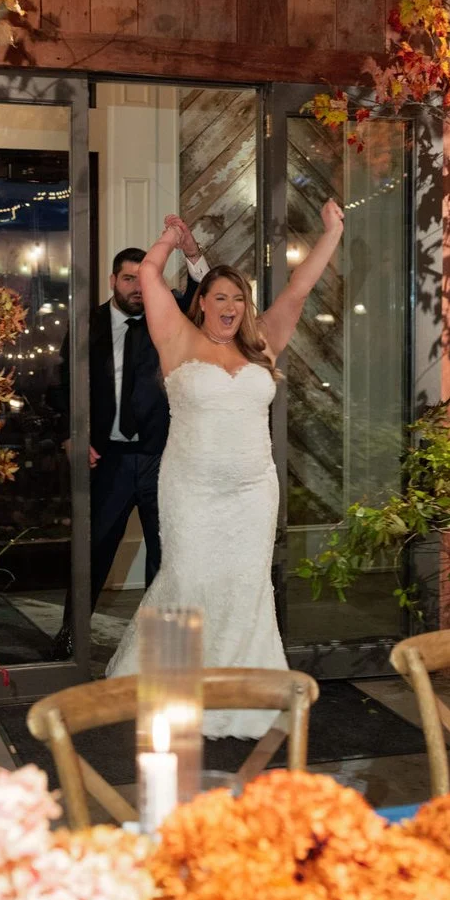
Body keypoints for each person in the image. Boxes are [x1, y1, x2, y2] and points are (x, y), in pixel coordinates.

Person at [106, 200, 345, 737]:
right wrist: (172, 240)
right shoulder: (176, 338)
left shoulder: (262, 344)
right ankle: (172, 694)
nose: (231, 306)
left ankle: (244, 693)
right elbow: (149, 275)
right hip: (191, 488)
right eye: (220, 297)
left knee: (245, 586)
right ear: (202, 303)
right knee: (187, 578)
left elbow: (299, 289)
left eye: (239, 298)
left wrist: (331, 232)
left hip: (252, 491)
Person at [50, 218, 209, 658]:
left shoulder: (170, 315)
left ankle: (163, 648)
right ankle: (71, 637)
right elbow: (63, 386)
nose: (138, 288)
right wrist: (71, 436)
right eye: (128, 279)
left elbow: (203, 290)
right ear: (113, 281)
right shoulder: (88, 325)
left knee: (167, 554)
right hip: (110, 460)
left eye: (144, 279)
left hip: (164, 457)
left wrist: (190, 250)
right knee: (93, 551)